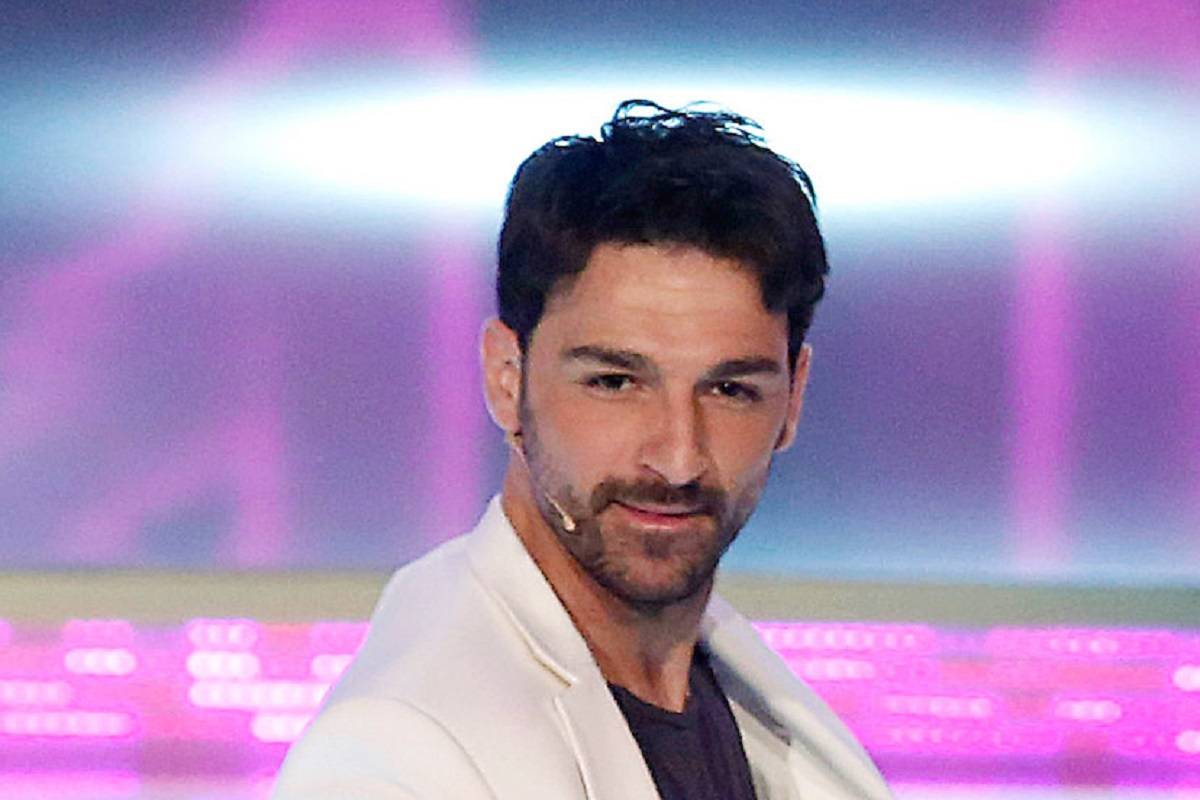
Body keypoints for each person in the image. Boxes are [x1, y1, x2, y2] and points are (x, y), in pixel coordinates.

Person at [273, 100, 892, 799]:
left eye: (729, 390)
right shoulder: (399, 752)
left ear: (794, 398)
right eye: (615, 382)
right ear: (507, 379)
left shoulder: (746, 696)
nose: (678, 459)